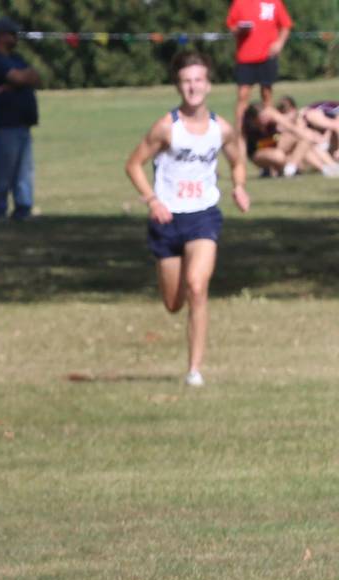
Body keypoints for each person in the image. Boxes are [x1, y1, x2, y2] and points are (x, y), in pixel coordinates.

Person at [125, 52, 249, 388]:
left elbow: (238, 160)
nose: (193, 87)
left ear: (208, 84)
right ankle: (175, 294)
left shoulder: (221, 129)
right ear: (179, 85)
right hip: (167, 219)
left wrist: (238, 186)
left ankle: (194, 370)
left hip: (203, 216)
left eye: (198, 80)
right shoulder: (167, 128)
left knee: (197, 287)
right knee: (173, 303)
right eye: (186, 81)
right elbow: (133, 164)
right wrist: (152, 200)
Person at [0, 16, 40, 222]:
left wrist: (18, 80)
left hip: (22, 123)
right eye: (12, 34)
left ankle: (23, 209)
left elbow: (34, 76)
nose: (16, 37)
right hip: (4, 125)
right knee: (3, 171)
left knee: (24, 171)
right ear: (0, 36)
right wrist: (19, 80)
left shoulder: (16, 59)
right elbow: (21, 78)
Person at [228, 0, 291, 132]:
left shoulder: (274, 2)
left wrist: (279, 43)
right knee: (243, 95)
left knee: (267, 94)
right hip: (245, 57)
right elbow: (231, 26)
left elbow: (286, 25)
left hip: (267, 56)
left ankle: (269, 131)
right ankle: (239, 134)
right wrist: (239, 30)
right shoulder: (239, 2)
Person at [242, 98, 339, 177]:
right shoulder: (248, 126)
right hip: (259, 151)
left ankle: (324, 168)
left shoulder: (272, 116)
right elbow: (243, 145)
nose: (265, 120)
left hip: (276, 145)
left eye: (266, 116)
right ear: (254, 118)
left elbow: (291, 127)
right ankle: (282, 168)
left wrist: (312, 136)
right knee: (278, 156)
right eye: (262, 118)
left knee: (305, 137)